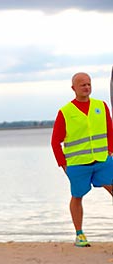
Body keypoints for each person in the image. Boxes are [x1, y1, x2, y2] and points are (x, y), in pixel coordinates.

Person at [51, 72, 113, 247]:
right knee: (77, 196)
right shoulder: (65, 112)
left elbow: (110, 130)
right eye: (82, 85)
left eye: (88, 84)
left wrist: (111, 151)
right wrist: (63, 165)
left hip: (103, 161)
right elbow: (55, 142)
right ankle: (79, 235)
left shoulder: (101, 106)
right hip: (78, 165)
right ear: (73, 88)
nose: (86, 87)